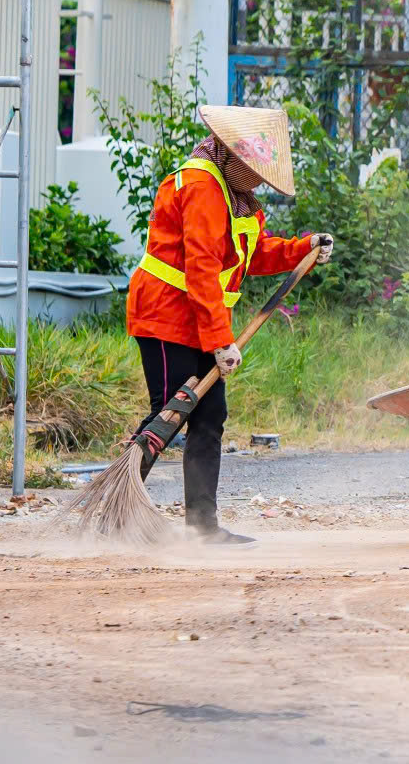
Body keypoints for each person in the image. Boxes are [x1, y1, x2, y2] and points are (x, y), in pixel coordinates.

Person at [124, 104, 331, 545]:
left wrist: (302, 249)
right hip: (165, 315)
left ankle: (203, 528)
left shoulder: (237, 198)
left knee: (210, 415)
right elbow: (200, 267)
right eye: (253, 170)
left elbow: (250, 257)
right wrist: (221, 341)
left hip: (199, 317)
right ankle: (118, 506)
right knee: (171, 413)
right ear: (231, 156)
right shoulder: (201, 185)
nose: (258, 181)